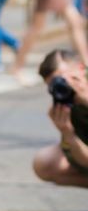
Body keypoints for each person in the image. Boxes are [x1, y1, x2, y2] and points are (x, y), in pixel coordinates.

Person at [33, 49, 88, 188]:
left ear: (81, 68)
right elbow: (84, 161)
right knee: (45, 163)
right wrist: (68, 133)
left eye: (64, 79)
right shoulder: (68, 102)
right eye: (54, 84)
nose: (63, 86)